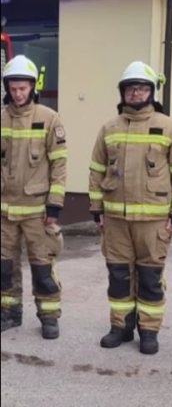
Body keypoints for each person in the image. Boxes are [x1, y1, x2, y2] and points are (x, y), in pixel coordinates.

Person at [89, 61, 172, 355]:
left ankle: (149, 331)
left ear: (151, 92)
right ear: (122, 92)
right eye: (131, 88)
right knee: (118, 276)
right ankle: (120, 327)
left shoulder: (170, 127)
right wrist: (97, 209)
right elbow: (96, 170)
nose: (136, 93)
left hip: (153, 219)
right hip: (116, 219)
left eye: (142, 88)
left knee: (149, 277)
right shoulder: (109, 128)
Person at [1, 55, 66, 339]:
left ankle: (49, 317)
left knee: (42, 267)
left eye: (22, 88)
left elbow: (59, 164)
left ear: (32, 87)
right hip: (4, 210)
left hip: (37, 211)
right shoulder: (1, 117)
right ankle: (9, 313)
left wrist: (55, 205)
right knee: (4, 268)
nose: (17, 94)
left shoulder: (49, 118)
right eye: (13, 88)